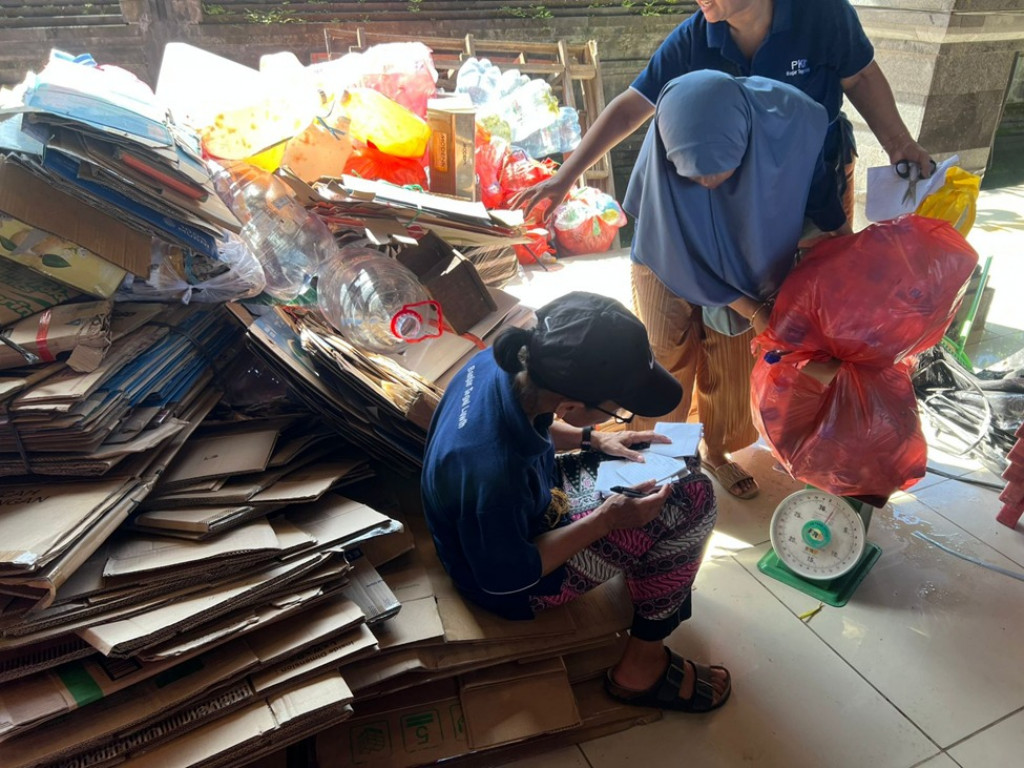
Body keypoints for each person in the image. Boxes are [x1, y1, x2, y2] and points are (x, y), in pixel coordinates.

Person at [421, 292, 731, 713]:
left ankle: (643, 565)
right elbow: (506, 578)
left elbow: (535, 423)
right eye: (617, 410)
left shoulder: (505, 364)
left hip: (525, 504)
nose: (619, 414)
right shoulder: (491, 473)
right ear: (569, 405)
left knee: (674, 460)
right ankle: (642, 669)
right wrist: (605, 521)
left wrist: (596, 437)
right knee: (694, 497)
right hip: (516, 575)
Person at [620, 70, 848, 500]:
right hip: (667, 254)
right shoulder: (669, 137)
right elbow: (675, 248)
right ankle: (655, 457)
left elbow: (814, 185)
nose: (706, 184)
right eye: (691, 174)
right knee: (664, 356)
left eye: (720, 169)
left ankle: (715, 450)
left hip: (749, 253)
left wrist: (843, 237)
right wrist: (753, 309)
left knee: (730, 360)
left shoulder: (794, 124)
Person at [514, 0, 933, 225]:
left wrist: (899, 144)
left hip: (816, 178)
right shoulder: (695, 37)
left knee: (824, 296)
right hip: (737, 195)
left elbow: (858, 77)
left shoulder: (821, 14)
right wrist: (564, 177)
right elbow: (633, 107)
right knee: (745, 318)